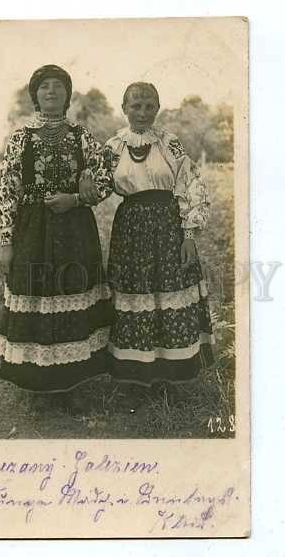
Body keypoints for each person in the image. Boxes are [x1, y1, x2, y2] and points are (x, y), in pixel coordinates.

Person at [0, 64, 113, 405]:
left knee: (72, 295)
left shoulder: (82, 137)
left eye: (59, 87)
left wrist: (74, 198)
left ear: (67, 96)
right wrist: (6, 241)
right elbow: (6, 190)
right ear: (35, 95)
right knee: (37, 295)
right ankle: (37, 387)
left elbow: (105, 181)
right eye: (45, 87)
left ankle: (72, 386)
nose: (52, 93)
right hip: (33, 232)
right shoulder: (20, 139)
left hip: (75, 230)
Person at [101, 82, 215, 389]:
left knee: (170, 290)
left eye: (149, 106)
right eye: (135, 106)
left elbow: (191, 183)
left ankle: (173, 372)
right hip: (131, 229)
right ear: (124, 109)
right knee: (136, 293)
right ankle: (136, 374)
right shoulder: (112, 148)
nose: (142, 112)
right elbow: (98, 185)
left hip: (168, 227)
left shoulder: (170, 143)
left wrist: (188, 235)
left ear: (158, 108)